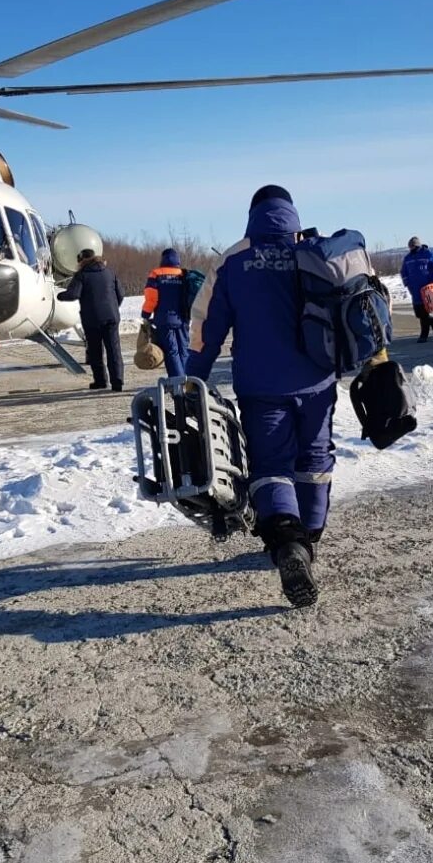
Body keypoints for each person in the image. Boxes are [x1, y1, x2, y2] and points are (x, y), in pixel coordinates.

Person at [185, 185, 335, 608]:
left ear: (253, 214)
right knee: (315, 462)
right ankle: (311, 536)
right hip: (318, 385)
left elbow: (205, 327)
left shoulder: (233, 261)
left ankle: (289, 544)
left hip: (261, 387)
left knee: (271, 468)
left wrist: (191, 380)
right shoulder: (315, 251)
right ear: (291, 212)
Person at [57, 248, 124, 392]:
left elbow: (73, 294)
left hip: (92, 318)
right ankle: (117, 382)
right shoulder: (109, 272)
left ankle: (100, 381)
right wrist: (113, 307)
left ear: (82, 261)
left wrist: (58, 295)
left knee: (95, 351)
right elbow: (121, 294)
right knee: (114, 350)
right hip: (111, 317)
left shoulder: (82, 275)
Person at [142, 248, 191, 377]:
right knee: (184, 350)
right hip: (183, 319)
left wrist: (145, 314)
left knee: (171, 351)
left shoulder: (156, 274)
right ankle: (189, 381)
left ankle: (178, 382)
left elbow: (152, 298)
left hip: (164, 319)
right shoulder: (184, 274)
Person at [400, 236, 433, 343]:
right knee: (419, 313)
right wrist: (407, 284)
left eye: (413, 246)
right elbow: (403, 272)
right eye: (410, 247)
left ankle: (424, 335)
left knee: (424, 312)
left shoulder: (428, 254)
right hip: (414, 289)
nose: (411, 249)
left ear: (417, 245)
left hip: (426, 288)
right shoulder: (408, 258)